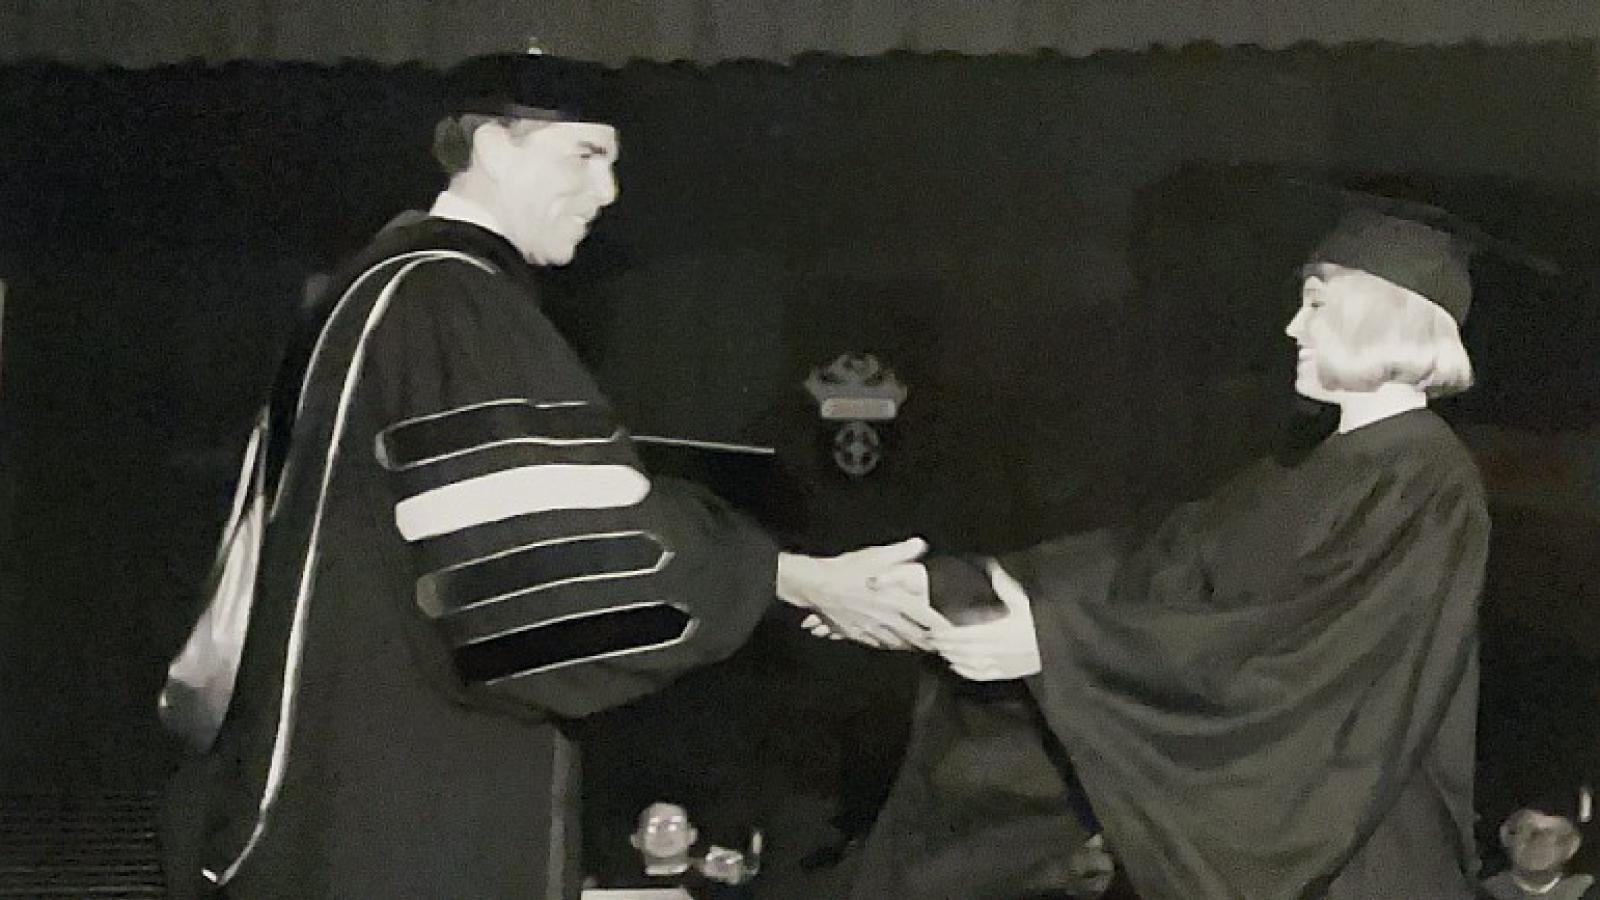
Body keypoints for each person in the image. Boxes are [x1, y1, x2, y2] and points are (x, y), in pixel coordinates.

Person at [158, 53, 939, 900]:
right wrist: (790, 575)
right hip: (412, 811)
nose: (607, 192)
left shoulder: (370, 290)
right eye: (585, 155)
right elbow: (556, 590)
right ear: (492, 147)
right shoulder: (452, 303)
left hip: (336, 777)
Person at [848, 201, 1492, 899]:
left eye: (1316, 304)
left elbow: (1311, 657)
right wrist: (951, 584)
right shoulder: (1297, 471)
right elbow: (1149, 563)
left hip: (1362, 858)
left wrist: (1059, 645)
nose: (1292, 327)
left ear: (1385, 314)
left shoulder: (1429, 481)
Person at [1480, 786, 1597, 900]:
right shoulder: (1477, 892)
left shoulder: (1588, 894)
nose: (1538, 841)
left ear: (1572, 847)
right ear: (1506, 836)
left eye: (1550, 833)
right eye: (1528, 829)